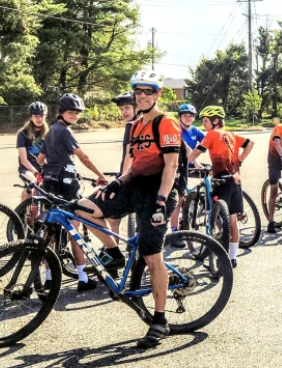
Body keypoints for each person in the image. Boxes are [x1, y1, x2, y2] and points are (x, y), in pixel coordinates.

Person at [72, 70, 181, 348]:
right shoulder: (135, 126)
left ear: (157, 94)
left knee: (152, 255)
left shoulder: (165, 123)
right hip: (134, 186)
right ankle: (114, 253)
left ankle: (160, 319)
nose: (142, 96)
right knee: (82, 208)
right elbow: (133, 163)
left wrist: (161, 200)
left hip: (157, 192)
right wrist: (115, 183)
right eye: (138, 91)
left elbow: (171, 165)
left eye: (148, 91)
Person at [36, 93, 110, 292]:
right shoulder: (66, 132)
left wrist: (54, 165)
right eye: (71, 112)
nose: (74, 116)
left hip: (50, 184)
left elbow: (40, 158)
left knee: (51, 233)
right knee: (74, 232)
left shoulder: (51, 131)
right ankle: (83, 278)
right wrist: (99, 174)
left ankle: (49, 277)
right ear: (61, 113)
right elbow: (83, 157)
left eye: (77, 113)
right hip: (68, 187)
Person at [187, 106, 254, 268]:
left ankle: (217, 255)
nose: (203, 124)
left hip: (220, 181)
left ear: (215, 121)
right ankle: (232, 257)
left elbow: (197, 152)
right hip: (235, 181)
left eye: (205, 121)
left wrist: (180, 164)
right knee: (232, 221)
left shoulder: (211, 134)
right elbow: (250, 143)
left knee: (215, 218)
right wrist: (240, 160)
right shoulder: (230, 134)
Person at [168, 103, 205, 247]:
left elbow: (208, 141)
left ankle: (186, 219)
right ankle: (174, 233)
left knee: (188, 196)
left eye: (190, 116)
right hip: (175, 166)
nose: (188, 118)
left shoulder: (195, 130)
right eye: (185, 115)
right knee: (178, 199)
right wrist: (195, 160)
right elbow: (186, 147)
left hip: (188, 167)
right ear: (180, 117)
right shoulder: (175, 129)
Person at [107, 91, 139, 235]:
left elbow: (129, 154)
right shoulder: (145, 123)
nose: (123, 112)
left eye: (127, 108)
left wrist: (121, 180)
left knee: (112, 218)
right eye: (121, 109)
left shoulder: (131, 126)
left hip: (130, 178)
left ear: (137, 107)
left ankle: (114, 254)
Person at [16, 102, 48, 202]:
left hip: (43, 167)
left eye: (41, 116)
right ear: (31, 117)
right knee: (31, 184)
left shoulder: (49, 133)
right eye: (36, 116)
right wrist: (35, 172)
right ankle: (20, 213)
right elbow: (23, 160)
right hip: (27, 168)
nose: (39, 119)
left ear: (45, 116)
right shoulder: (22, 133)